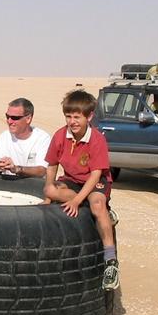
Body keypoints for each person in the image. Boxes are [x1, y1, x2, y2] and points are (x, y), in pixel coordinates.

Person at [43, 89, 120, 290]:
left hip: (96, 181)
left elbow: (95, 174)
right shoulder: (60, 135)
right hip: (71, 179)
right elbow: (52, 164)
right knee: (51, 191)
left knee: (96, 204)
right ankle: (104, 212)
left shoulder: (97, 140)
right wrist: (48, 191)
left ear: (89, 116)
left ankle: (110, 261)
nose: (72, 121)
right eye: (68, 116)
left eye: (77, 117)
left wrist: (77, 201)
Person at [0, 98, 51, 178]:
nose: (9, 121)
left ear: (28, 119)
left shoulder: (42, 138)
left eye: (15, 118)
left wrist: (17, 169)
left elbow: (42, 170)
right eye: (7, 116)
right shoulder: (4, 137)